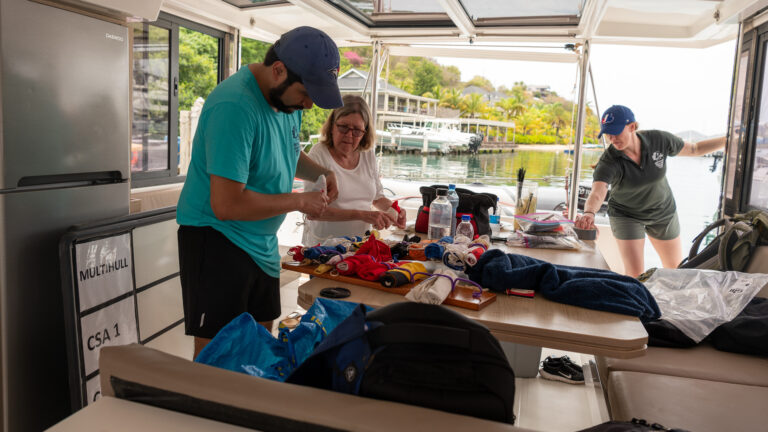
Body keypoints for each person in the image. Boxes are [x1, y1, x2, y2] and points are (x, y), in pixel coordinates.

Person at [176, 26, 343, 357]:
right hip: (217, 238)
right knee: (218, 358)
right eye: (306, 92)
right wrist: (299, 201)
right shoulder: (235, 106)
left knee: (259, 348)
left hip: (261, 245)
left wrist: (322, 172)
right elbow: (226, 204)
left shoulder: (286, 102)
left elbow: (288, 151)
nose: (309, 104)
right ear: (278, 69)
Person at [574, 105, 725, 277]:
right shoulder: (609, 161)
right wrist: (589, 213)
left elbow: (694, 149)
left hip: (662, 211)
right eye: (608, 133)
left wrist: (728, 140)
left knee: (675, 270)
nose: (612, 138)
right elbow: (598, 192)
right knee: (635, 273)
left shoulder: (658, 140)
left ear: (632, 127)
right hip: (626, 214)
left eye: (616, 132)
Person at [301, 95, 406, 245]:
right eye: (343, 127)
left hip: (359, 246)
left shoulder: (367, 154)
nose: (349, 135)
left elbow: (377, 197)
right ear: (332, 126)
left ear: (365, 133)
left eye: (357, 130)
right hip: (323, 247)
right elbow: (313, 211)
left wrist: (394, 210)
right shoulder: (318, 155)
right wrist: (363, 215)